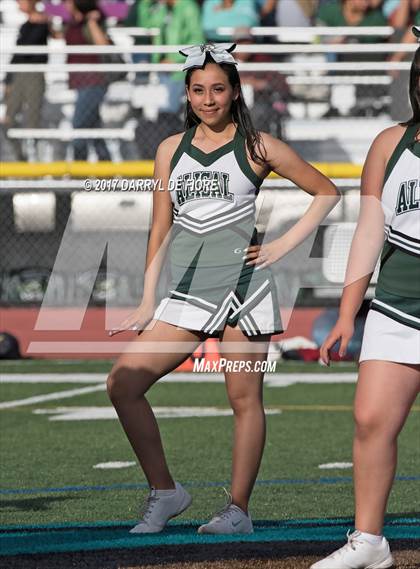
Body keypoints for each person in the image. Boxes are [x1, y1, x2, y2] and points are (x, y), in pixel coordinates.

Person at [107, 42, 340, 535]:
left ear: (235, 92)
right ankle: (165, 492)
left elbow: (326, 191)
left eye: (217, 89)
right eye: (198, 90)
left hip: (244, 290)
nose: (208, 99)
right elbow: (160, 225)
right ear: (187, 94)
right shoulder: (169, 150)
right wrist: (148, 298)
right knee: (123, 384)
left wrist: (282, 245)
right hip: (190, 289)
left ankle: (238, 510)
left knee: (243, 399)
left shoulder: (259, 146)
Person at [312, 27, 420, 569]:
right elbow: (369, 231)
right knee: (371, 418)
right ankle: (370, 542)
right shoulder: (389, 144)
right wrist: (346, 313)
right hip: (398, 303)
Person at [4, 0, 50, 161]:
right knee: (8, 121)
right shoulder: (25, 26)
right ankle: (20, 158)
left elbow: (31, 48)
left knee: (32, 118)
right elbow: (17, 55)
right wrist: (8, 80)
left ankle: (33, 158)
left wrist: (42, 20)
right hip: (18, 75)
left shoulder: (43, 23)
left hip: (34, 73)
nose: (18, 5)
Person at [65, 0, 111, 161]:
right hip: (79, 81)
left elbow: (103, 46)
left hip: (94, 81)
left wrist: (92, 22)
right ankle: (106, 165)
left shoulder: (92, 21)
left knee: (79, 125)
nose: (65, 5)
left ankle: (79, 166)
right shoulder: (72, 23)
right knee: (93, 127)